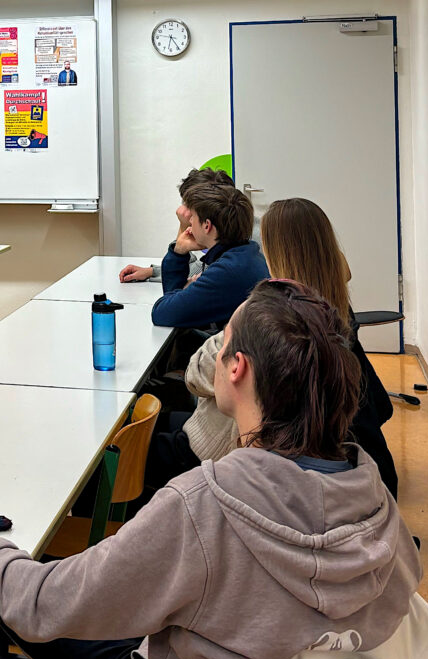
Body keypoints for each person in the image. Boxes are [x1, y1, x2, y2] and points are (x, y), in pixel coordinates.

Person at [0, 280, 424, 659]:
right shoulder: (375, 496)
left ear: (236, 368)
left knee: (16, 589)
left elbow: (48, 604)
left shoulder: (202, 506)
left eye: (223, 341)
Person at [144, 198, 399, 501]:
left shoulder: (269, 317)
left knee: (137, 445)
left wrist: (233, 326)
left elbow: (197, 377)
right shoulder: (335, 312)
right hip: (349, 471)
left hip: (227, 455)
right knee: (159, 421)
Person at [149, 183, 269, 330]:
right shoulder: (247, 253)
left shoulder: (227, 272)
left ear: (207, 225)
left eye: (193, 217)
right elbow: (176, 308)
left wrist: (178, 254)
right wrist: (180, 251)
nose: (190, 222)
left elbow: (163, 313)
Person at [118, 168, 234, 284]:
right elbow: (191, 264)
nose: (181, 211)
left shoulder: (225, 246)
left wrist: (184, 226)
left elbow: (187, 275)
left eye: (187, 205)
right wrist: (152, 271)